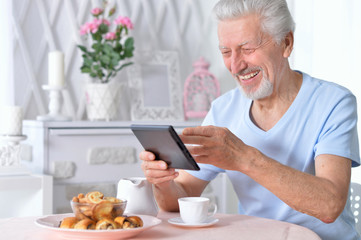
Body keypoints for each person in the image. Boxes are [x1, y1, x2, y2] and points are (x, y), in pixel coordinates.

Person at [139, 0, 360, 239]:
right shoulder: (223, 110)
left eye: (248, 49)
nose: (235, 66)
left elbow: (329, 206)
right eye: (226, 52)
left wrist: (243, 157)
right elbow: (177, 201)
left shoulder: (334, 102)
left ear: (286, 43)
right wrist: (162, 182)